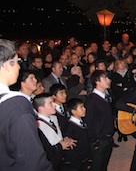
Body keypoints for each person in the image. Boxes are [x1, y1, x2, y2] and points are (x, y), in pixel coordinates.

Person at [0, 39, 53, 170]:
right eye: (17, 62)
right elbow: (33, 161)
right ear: (7, 65)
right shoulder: (16, 105)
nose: (19, 67)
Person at [33, 93, 77, 170]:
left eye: (53, 102)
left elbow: (57, 136)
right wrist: (60, 146)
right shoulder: (37, 125)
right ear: (41, 108)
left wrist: (65, 140)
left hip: (61, 159)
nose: (55, 105)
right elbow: (45, 148)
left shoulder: (54, 118)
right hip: (51, 163)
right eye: (50, 103)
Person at [85, 70, 115, 171]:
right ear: (97, 82)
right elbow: (89, 122)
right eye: (105, 78)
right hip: (99, 141)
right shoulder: (92, 100)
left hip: (107, 138)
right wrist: (95, 141)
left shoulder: (105, 97)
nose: (108, 80)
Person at [63, 97, 90, 171]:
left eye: (83, 106)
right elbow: (70, 151)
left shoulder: (82, 121)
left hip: (85, 156)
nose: (84, 109)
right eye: (81, 107)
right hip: (77, 161)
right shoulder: (70, 128)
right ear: (73, 111)